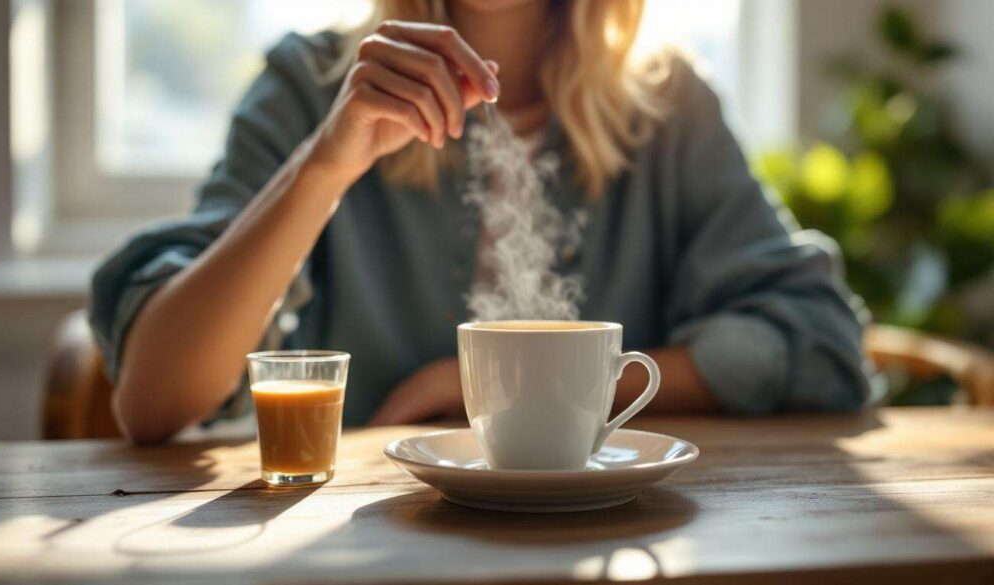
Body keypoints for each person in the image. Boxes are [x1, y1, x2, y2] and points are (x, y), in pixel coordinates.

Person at [90, 0, 870, 444]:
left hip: (605, 542)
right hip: (361, 545)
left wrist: (498, 390)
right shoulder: (311, 85)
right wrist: (325, 165)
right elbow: (154, 399)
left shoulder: (666, 106)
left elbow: (818, 338)